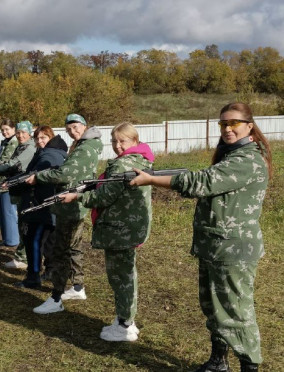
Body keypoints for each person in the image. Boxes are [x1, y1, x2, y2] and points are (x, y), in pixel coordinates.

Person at [130, 103, 271, 372]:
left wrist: (153, 180)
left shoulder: (247, 160)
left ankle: (249, 366)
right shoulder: (231, 155)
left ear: (249, 126)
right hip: (215, 246)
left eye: (234, 123)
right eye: (223, 124)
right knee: (213, 307)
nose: (228, 129)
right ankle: (218, 361)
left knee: (235, 311)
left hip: (233, 250)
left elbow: (203, 182)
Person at [62, 122, 154, 341]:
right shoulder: (141, 159)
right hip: (130, 227)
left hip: (119, 228)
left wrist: (77, 197)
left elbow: (104, 197)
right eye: (114, 141)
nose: (117, 146)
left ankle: (124, 326)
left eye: (123, 141)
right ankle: (127, 321)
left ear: (134, 141)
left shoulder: (122, 165)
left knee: (121, 277)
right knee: (127, 275)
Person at [25, 113, 103, 314]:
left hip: (71, 205)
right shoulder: (84, 145)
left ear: (84, 126)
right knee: (74, 247)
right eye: (68, 129)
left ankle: (56, 298)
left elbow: (65, 174)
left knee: (61, 251)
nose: (72, 132)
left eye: (75, 127)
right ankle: (78, 287)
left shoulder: (85, 148)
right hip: (76, 202)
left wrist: (39, 176)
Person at [12, 125, 68, 288]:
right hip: (47, 205)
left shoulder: (49, 155)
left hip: (40, 205)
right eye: (37, 138)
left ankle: (33, 277)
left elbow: (39, 174)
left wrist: (17, 184)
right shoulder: (51, 152)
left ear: (51, 138)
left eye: (43, 137)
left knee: (33, 241)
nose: (39, 141)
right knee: (49, 240)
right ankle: (49, 271)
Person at [0, 121, 37, 269]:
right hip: (20, 188)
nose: (20, 135)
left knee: (26, 225)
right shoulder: (22, 146)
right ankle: (23, 257)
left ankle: (24, 259)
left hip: (28, 191)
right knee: (24, 224)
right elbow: (11, 165)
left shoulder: (29, 147)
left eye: (23, 132)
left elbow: (13, 164)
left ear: (29, 133)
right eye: (19, 132)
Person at [0, 119, 20, 248]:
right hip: (0, 180)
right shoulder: (5, 142)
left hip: (8, 181)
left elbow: (6, 162)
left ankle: (12, 240)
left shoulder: (14, 142)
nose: (4, 132)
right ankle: (6, 238)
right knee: (2, 210)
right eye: (2, 130)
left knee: (9, 211)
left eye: (7, 129)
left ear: (14, 129)